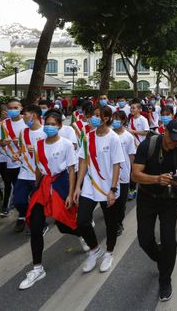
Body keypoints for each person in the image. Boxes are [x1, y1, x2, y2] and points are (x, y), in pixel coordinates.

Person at [19, 111, 79, 290]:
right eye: (47, 123)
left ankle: (82, 234)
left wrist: (70, 193)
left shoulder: (67, 144)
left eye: (53, 124)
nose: (49, 127)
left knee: (64, 225)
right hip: (43, 186)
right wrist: (35, 188)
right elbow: (39, 168)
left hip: (60, 185)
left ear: (60, 126)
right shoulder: (38, 145)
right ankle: (37, 268)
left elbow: (71, 171)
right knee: (36, 226)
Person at [132, 119, 177, 301]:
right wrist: (157, 179)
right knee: (144, 239)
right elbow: (136, 174)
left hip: (169, 200)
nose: (174, 143)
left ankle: (165, 279)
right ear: (164, 131)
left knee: (169, 241)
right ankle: (161, 260)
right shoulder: (147, 146)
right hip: (147, 198)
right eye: (172, 138)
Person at [73, 105, 124, 273]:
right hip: (89, 186)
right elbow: (82, 162)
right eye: (92, 115)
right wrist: (77, 187)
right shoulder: (88, 137)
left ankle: (109, 253)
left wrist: (113, 189)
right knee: (82, 221)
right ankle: (95, 251)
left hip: (107, 187)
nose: (93, 118)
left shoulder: (113, 138)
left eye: (97, 115)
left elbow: (117, 165)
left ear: (106, 118)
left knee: (111, 223)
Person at [13, 105, 48, 233]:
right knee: (18, 201)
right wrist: (17, 155)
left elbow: (52, 152)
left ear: (33, 115)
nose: (23, 117)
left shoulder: (46, 132)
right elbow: (21, 150)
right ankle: (25, 215)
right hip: (24, 172)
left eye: (25, 114)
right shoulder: (23, 132)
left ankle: (42, 224)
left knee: (38, 203)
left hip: (39, 174)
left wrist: (39, 150)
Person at [0, 98, 27, 218]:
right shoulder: (4, 124)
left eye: (16, 108)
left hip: (26, 160)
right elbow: (0, 141)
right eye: (10, 108)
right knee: (13, 185)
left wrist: (20, 142)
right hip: (11, 160)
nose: (13, 110)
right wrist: (5, 142)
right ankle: (16, 209)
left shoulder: (27, 121)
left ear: (21, 108)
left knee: (25, 187)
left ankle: (24, 213)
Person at [111, 110, 136, 235]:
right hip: (110, 174)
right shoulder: (108, 134)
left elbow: (131, 156)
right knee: (111, 201)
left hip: (124, 174)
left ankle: (119, 222)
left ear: (123, 121)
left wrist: (134, 172)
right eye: (113, 118)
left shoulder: (128, 137)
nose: (115, 121)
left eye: (118, 119)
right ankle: (113, 223)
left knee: (121, 202)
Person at [127, 102, 150, 200]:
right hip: (132, 147)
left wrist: (133, 131)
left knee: (143, 168)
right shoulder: (130, 119)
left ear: (139, 109)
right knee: (132, 168)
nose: (132, 110)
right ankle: (132, 189)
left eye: (134, 108)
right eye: (131, 108)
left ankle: (145, 186)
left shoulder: (143, 119)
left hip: (141, 147)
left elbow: (146, 132)